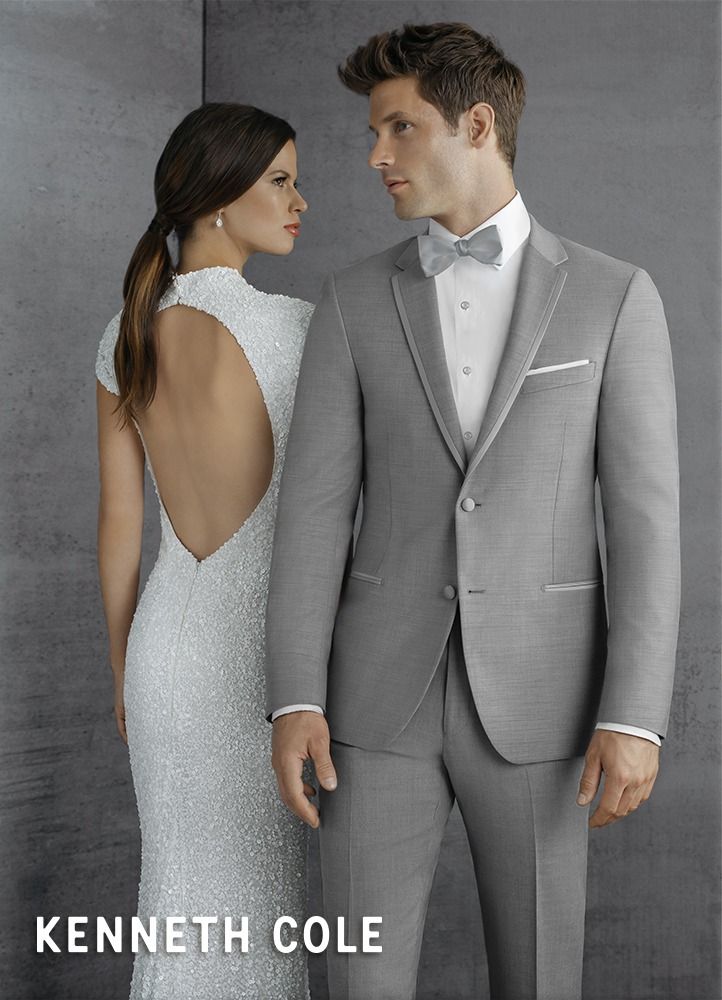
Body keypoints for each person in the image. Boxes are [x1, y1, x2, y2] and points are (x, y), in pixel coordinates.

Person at [266, 22, 680, 1000]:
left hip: (545, 704)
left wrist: (635, 714)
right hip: (372, 709)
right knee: (358, 981)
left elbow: (645, 524)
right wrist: (294, 696)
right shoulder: (351, 300)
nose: (375, 154)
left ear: (478, 125)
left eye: (399, 128)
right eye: (374, 133)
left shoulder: (615, 298)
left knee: (539, 979)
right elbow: (313, 513)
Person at [95, 102, 313, 999]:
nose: (300, 201)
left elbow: (120, 529)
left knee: (179, 897)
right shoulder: (298, 330)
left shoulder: (124, 334)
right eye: (280, 181)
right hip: (254, 663)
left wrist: (121, 674)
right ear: (220, 199)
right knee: (257, 909)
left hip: (159, 660)